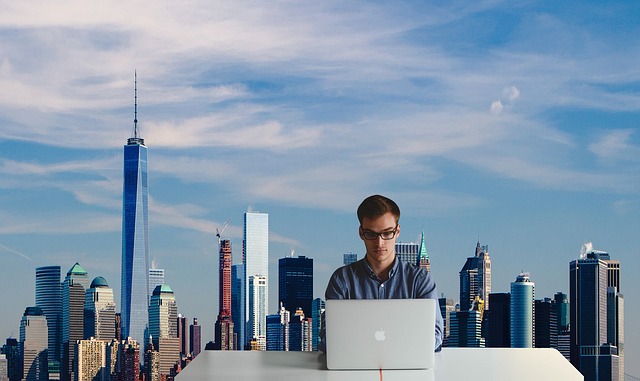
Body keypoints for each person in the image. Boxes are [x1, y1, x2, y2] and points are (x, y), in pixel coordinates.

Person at [320, 194, 444, 351]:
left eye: (387, 233)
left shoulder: (420, 280)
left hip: (408, 370)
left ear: (397, 231)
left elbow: (435, 335)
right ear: (361, 233)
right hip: (353, 371)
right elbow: (328, 337)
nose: (379, 242)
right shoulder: (342, 280)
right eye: (371, 234)